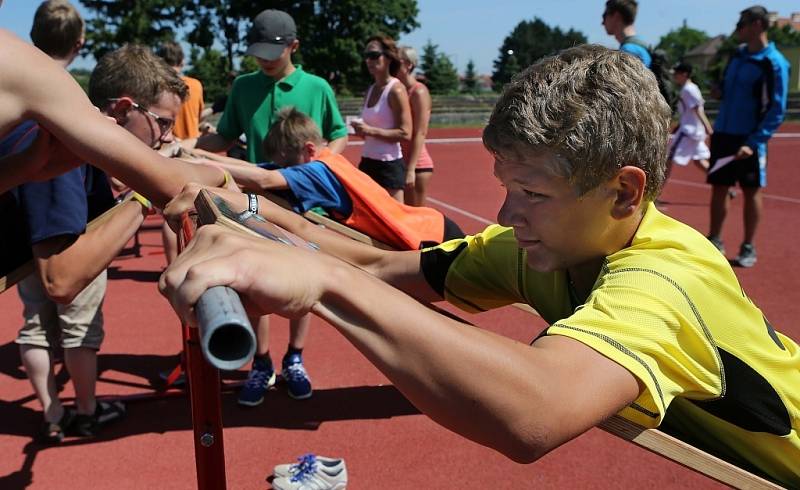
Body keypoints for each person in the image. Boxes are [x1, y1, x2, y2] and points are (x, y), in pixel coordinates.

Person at [162, 45, 800, 487]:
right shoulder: (541, 245)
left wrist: (322, 282)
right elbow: (382, 270)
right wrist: (253, 215)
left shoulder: (661, 282)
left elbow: (533, 416)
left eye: (533, 193)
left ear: (625, 192)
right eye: (507, 187)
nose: (507, 211)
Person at [178, 107, 463, 407]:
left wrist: (197, 159)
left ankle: (455, 385)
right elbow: (259, 169)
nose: (286, 170)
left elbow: (263, 179)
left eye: (287, 164)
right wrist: (198, 155)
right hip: (428, 228)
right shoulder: (324, 161)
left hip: (429, 241)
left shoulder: (317, 171)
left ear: (308, 150)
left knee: (433, 320)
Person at [11, 6, 191, 442]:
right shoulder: (58, 130)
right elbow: (63, 279)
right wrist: (146, 193)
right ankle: (82, 414)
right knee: (77, 329)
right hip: (56, 246)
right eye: (162, 123)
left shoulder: (56, 116)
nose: (167, 137)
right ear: (125, 108)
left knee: (36, 325)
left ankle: (55, 414)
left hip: (26, 246)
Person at [194, 9, 348, 162]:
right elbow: (225, 137)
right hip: (257, 184)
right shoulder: (242, 86)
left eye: (273, 53)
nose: (265, 60)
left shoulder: (317, 88)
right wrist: (186, 145)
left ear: (294, 46)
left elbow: (338, 134)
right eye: (260, 52)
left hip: (306, 184)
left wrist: (321, 164)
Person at [706, 5, 789, 268]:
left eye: (741, 24)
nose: (737, 29)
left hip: (749, 139)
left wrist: (753, 143)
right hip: (724, 134)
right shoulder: (736, 56)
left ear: (757, 25)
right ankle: (715, 240)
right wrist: (720, 92)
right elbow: (730, 92)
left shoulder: (773, 63)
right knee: (719, 188)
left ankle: (748, 245)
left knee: (751, 191)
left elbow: (776, 109)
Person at [352, 35, 412, 202]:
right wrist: (361, 130)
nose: (369, 61)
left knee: (394, 220)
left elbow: (406, 133)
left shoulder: (396, 90)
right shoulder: (370, 89)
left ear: (388, 58)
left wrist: (370, 130)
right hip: (368, 161)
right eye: (366, 56)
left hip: (389, 164)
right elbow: (371, 130)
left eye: (374, 55)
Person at [397, 46, 434, 207]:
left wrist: (411, 169)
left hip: (416, 165)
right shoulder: (398, 90)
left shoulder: (419, 92)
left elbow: (420, 132)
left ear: (408, 65)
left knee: (416, 219)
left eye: (396, 62)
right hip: (399, 163)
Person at [667, 62, 712, 172]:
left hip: (688, 131)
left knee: (668, 159)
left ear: (685, 74)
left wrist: (708, 128)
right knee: (699, 161)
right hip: (694, 131)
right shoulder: (691, 88)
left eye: (677, 73)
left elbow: (697, 109)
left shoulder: (688, 89)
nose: (674, 76)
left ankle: (657, 188)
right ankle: (722, 185)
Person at [157, 40, 204, 143]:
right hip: (193, 146)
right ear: (182, 61)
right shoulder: (196, 85)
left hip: (167, 146)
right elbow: (199, 117)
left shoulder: (155, 87)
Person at [602, 0, 650, 67]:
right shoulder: (641, 45)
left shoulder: (628, 51)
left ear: (616, 16)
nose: (602, 23)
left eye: (604, 16)